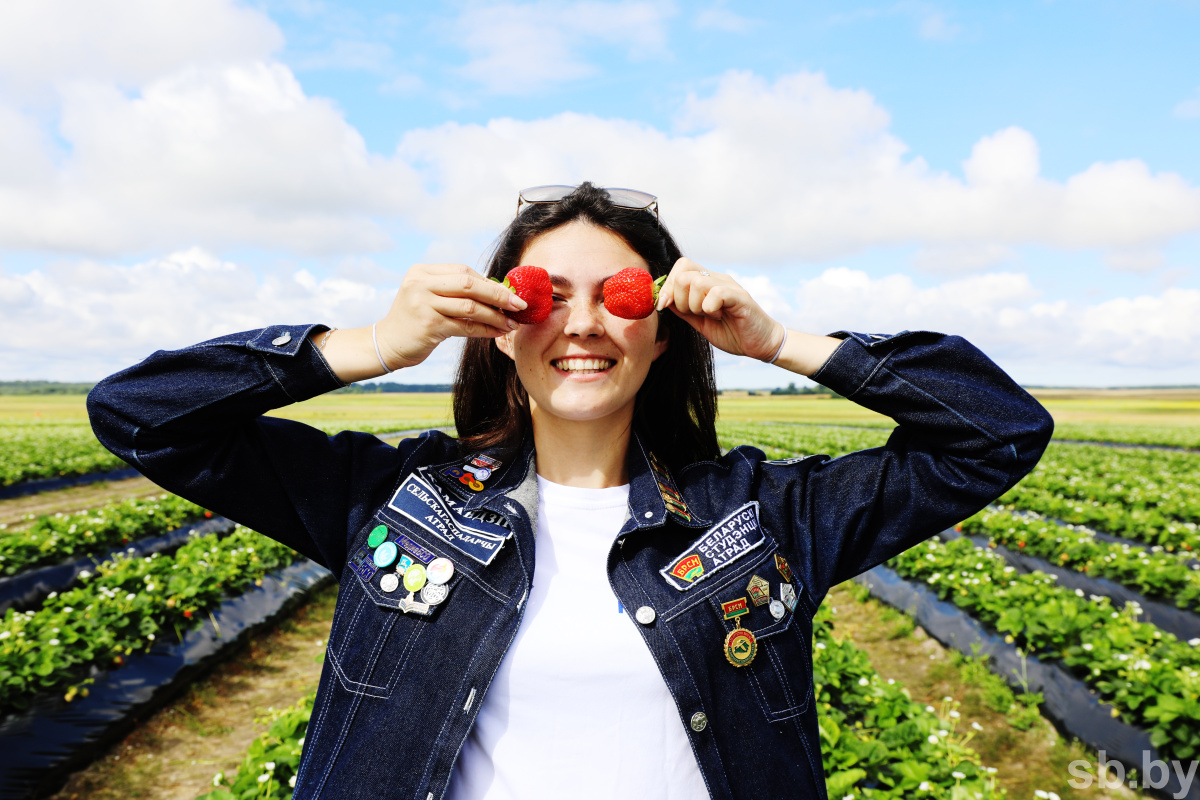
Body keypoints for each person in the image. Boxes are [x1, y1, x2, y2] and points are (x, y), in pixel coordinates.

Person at [87, 182, 1053, 800]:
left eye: (622, 297)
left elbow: (993, 433)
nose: (583, 325)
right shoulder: (396, 496)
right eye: (546, 296)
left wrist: (779, 342)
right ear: (502, 323)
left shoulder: (765, 517)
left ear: (665, 327)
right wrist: (373, 348)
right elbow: (141, 414)